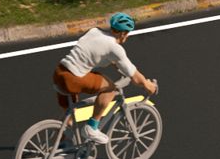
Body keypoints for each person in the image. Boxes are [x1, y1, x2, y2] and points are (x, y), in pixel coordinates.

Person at [53, 13, 157, 145]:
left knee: (70, 113)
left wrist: (119, 66)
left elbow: (98, 53)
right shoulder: (115, 48)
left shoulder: (94, 31)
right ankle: (91, 127)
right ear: (123, 34)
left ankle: (59, 146)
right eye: (127, 33)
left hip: (59, 73)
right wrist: (148, 85)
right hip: (73, 78)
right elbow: (135, 76)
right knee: (110, 89)